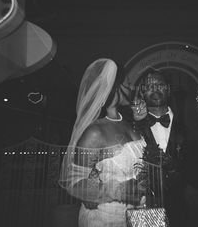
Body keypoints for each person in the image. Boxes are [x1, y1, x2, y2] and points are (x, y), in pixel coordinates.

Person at [58, 58, 147, 227]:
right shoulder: (94, 132)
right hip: (106, 218)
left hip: (139, 215)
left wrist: (140, 122)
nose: (131, 87)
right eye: (127, 83)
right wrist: (118, 191)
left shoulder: (129, 123)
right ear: (115, 86)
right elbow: (74, 182)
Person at [125, 67, 189, 227]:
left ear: (167, 89)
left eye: (159, 84)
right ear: (141, 93)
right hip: (144, 206)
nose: (154, 89)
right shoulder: (131, 125)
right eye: (148, 86)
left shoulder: (187, 123)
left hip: (183, 206)